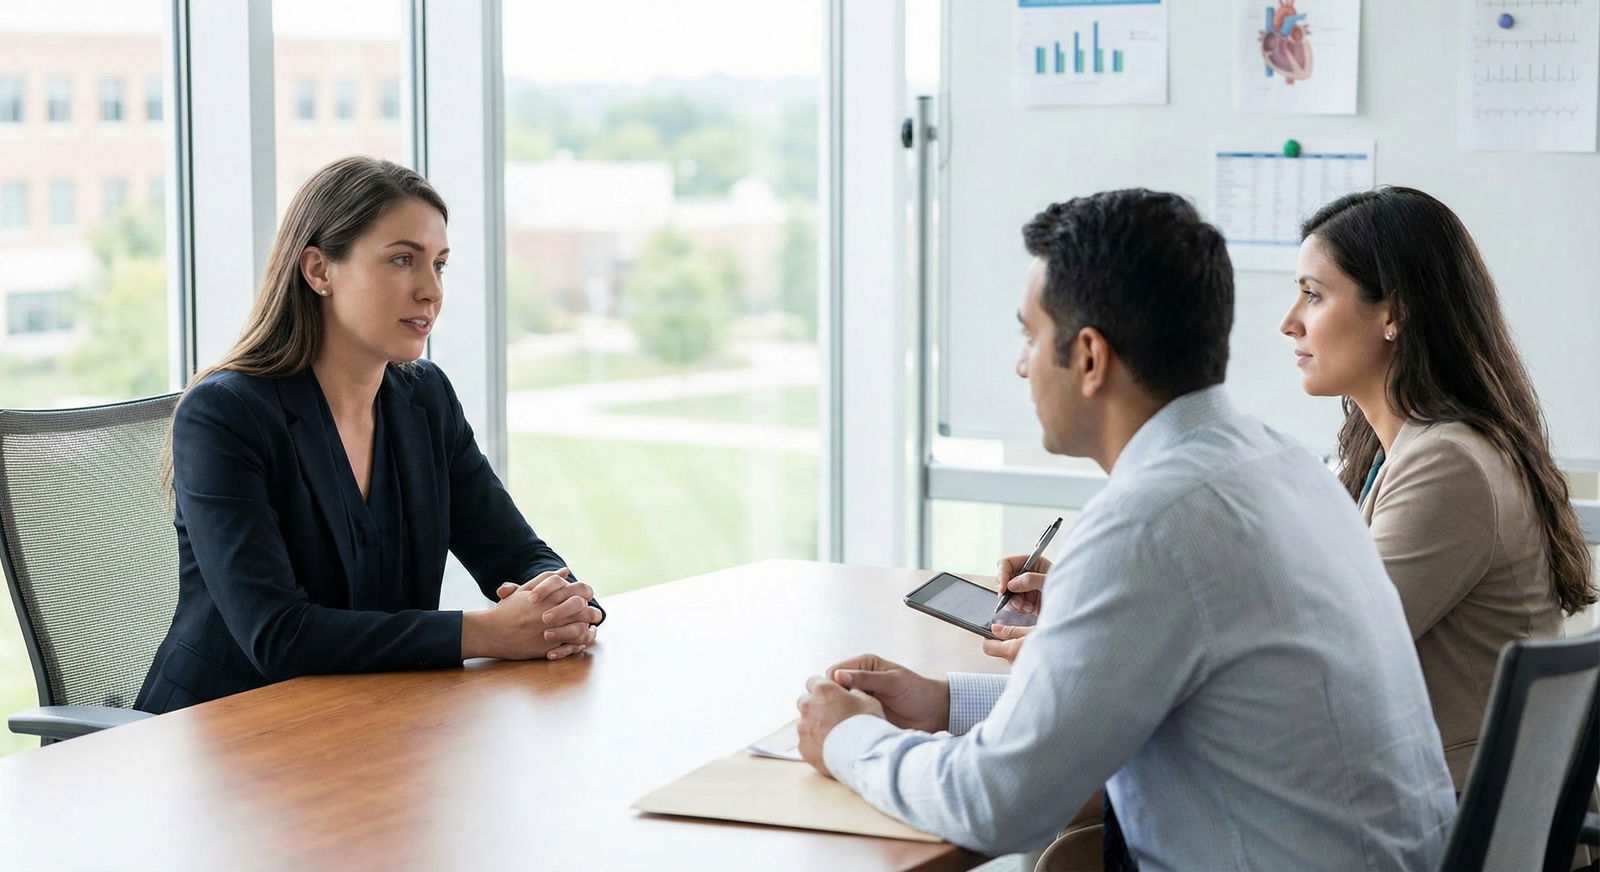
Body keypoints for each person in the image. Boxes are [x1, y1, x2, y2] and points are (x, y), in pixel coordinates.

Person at [793, 189, 1455, 869]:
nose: (1021, 365)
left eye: (1030, 336)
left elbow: (994, 806)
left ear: (1088, 356)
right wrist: (944, 702)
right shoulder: (1281, 465)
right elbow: (1146, 697)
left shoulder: (1150, 524)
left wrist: (848, 740)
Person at [137, 157, 603, 714]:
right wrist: (487, 633)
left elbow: (515, 552)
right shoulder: (224, 415)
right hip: (222, 735)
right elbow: (278, 635)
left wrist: (562, 606)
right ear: (318, 270)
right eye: (402, 260)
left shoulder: (424, 399)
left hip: (373, 718)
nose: (431, 291)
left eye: (440, 264)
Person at [1279, 186, 1596, 790]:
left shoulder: (1448, 463)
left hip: (1453, 818)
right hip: (1438, 799)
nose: (1289, 322)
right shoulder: (1396, 451)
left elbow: (1325, 646)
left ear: (1393, 314)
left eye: (1313, 295)